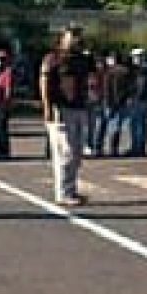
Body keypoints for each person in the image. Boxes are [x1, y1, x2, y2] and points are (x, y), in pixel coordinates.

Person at [40, 26, 95, 207]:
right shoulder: (53, 59)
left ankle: (71, 189)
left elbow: (94, 78)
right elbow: (44, 81)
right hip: (61, 108)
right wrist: (47, 106)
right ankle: (63, 192)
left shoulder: (83, 59)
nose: (76, 40)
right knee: (66, 151)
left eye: (79, 36)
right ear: (63, 38)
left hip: (79, 107)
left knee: (77, 153)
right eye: (72, 36)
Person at [99, 52, 132, 157]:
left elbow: (106, 89)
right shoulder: (125, 72)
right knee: (117, 127)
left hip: (110, 102)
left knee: (104, 126)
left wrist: (107, 102)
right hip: (121, 102)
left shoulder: (108, 72)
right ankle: (114, 148)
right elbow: (128, 88)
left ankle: (100, 148)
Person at [125, 48, 147, 157]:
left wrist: (133, 97)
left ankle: (137, 148)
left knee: (136, 124)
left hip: (138, 100)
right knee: (142, 124)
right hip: (145, 99)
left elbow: (140, 85)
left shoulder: (139, 69)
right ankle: (141, 147)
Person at [0, 50, 15, 159]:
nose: (0, 62)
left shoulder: (7, 72)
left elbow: (8, 89)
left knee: (2, 128)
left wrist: (6, 102)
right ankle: (1, 150)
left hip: (3, 104)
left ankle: (4, 151)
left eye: (2, 59)